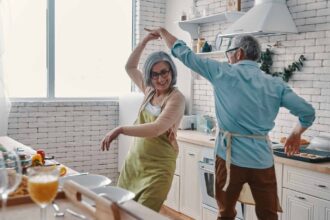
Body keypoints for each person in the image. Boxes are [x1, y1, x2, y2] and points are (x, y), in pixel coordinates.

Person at [145, 27, 315, 220]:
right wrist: (296, 133)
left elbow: (184, 54)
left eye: (229, 53)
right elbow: (308, 113)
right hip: (262, 161)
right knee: (268, 216)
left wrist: (163, 32)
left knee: (225, 213)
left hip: (228, 160)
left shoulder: (222, 72)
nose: (228, 58)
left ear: (239, 53)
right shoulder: (275, 84)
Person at [100, 32, 185, 212]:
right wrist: (144, 41)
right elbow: (130, 67)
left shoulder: (176, 98)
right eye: (154, 75)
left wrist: (121, 129)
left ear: (171, 71)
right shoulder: (149, 91)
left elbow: (156, 128)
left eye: (164, 72)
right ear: (149, 76)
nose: (160, 79)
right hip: (134, 164)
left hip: (158, 169)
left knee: (141, 215)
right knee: (121, 211)